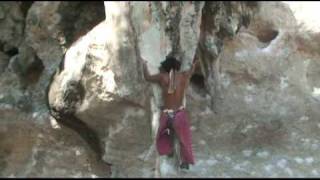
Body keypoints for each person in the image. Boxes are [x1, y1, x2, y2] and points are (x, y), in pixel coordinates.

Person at [139, 55, 197, 170]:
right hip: (180, 113)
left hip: (168, 113)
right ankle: (184, 163)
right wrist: (194, 65)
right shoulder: (184, 76)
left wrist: (144, 64)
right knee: (184, 139)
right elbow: (191, 71)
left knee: (163, 134)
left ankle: (168, 150)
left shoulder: (163, 77)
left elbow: (147, 77)